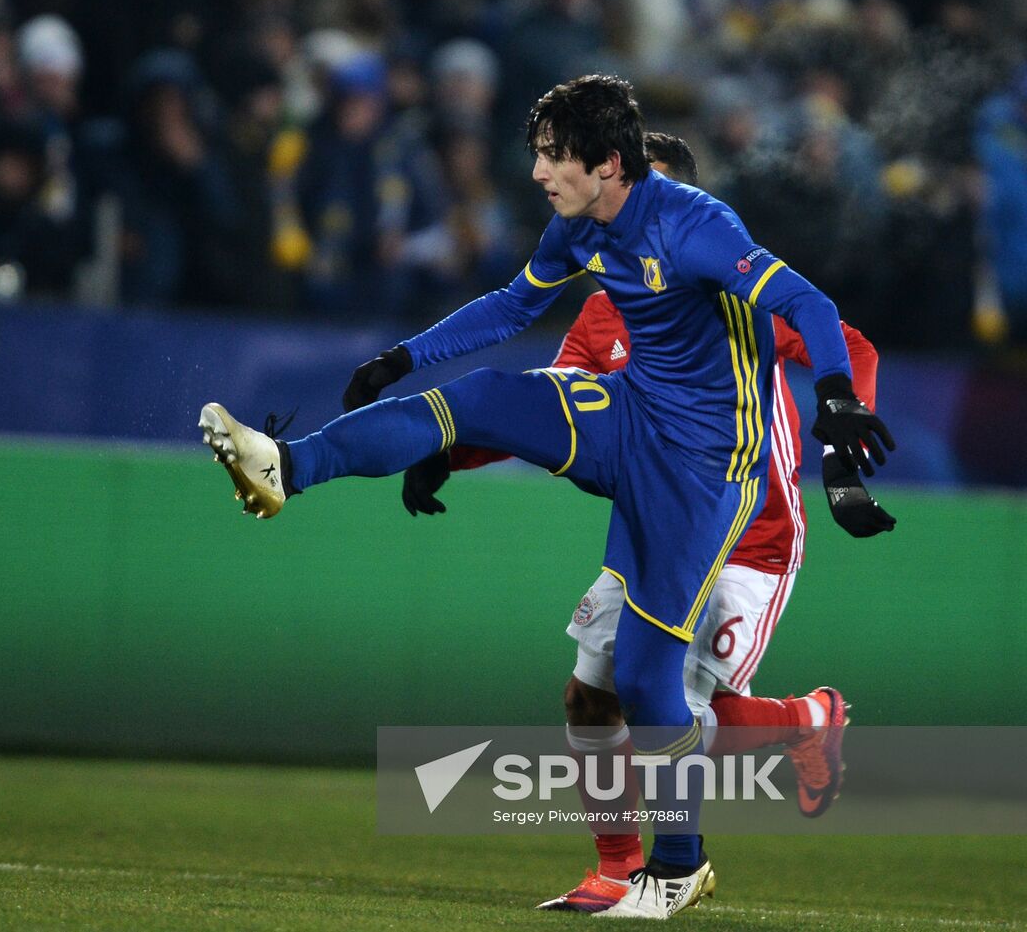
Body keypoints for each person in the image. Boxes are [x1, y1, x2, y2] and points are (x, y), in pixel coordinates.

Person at [198, 75, 894, 919]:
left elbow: (811, 306)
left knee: (647, 680)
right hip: (633, 421)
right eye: (537, 153)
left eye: (552, 155)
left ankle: (680, 864)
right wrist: (405, 363)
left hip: (707, 473)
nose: (536, 172)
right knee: (486, 397)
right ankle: (286, 464)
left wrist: (837, 408)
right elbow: (512, 304)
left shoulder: (699, 229)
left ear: (609, 165)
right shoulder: (580, 233)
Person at [400, 133, 893, 912]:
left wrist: (842, 434)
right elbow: (549, 408)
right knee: (590, 696)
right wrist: (448, 453)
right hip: (656, 529)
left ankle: (809, 719)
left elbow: (851, 344)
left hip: (750, 536)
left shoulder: (730, 286)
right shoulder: (600, 316)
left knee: (687, 713)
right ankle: (616, 869)